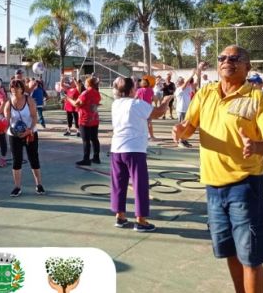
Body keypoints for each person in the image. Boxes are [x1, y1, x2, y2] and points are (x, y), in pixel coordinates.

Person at [172, 45, 263, 293]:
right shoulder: (205, 94)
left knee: (251, 257)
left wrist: (256, 145)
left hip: (245, 186)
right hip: (213, 187)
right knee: (230, 252)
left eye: (235, 58)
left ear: (248, 67)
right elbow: (189, 126)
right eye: (222, 58)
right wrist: (181, 132)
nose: (227, 61)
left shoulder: (258, 98)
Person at [110, 77, 173, 232]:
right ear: (132, 90)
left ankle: (120, 216)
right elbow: (158, 113)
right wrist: (166, 100)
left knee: (118, 184)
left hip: (117, 148)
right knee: (140, 185)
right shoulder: (136, 104)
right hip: (134, 149)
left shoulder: (116, 104)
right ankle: (141, 220)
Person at [3, 79, 45, 197]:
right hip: (14, 135)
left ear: (22, 89)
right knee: (17, 160)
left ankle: (39, 185)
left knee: (33, 158)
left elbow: (34, 117)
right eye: (12, 87)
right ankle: (17, 187)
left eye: (17, 87)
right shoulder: (8, 103)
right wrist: (0, 126)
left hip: (30, 133)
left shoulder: (29, 100)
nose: (14, 90)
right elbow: (7, 121)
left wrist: (29, 130)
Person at [66, 77, 101, 166]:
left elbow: (76, 103)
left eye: (85, 82)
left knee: (86, 140)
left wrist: (68, 98)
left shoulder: (85, 93)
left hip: (85, 119)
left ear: (88, 84)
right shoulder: (97, 93)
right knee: (94, 139)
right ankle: (96, 157)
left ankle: (86, 159)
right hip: (94, 119)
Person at [174, 68, 201, 148]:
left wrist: (199, 72)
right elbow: (186, 82)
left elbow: (196, 82)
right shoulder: (179, 89)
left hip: (187, 110)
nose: (182, 82)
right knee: (182, 127)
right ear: (179, 83)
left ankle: (184, 140)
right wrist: (192, 74)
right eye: (180, 81)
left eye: (182, 80)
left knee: (186, 127)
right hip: (181, 110)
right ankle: (180, 141)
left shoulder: (188, 88)